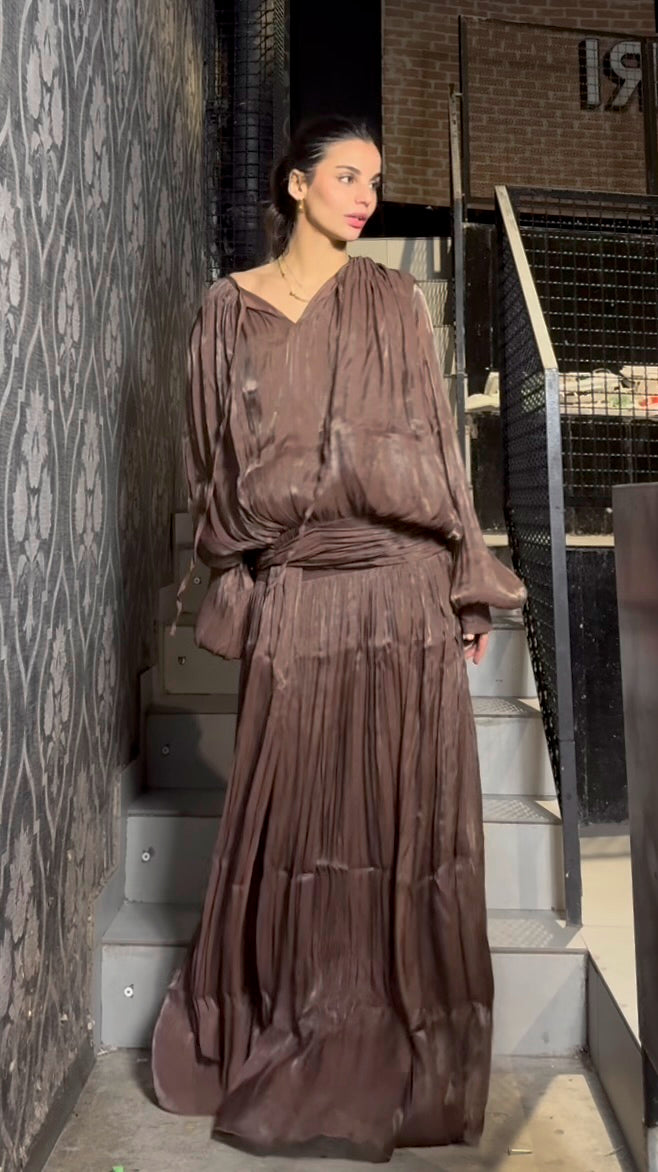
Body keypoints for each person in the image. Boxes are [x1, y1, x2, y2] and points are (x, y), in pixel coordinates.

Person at [151, 114, 526, 1162]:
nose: (365, 196)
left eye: (374, 180)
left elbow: (436, 450)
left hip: (403, 588)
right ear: (294, 185)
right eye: (347, 176)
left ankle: (387, 1037)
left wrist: (464, 588)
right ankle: (293, 1013)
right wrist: (248, 575)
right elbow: (212, 456)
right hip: (301, 587)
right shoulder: (227, 309)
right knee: (294, 815)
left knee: (402, 820)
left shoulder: (392, 299)